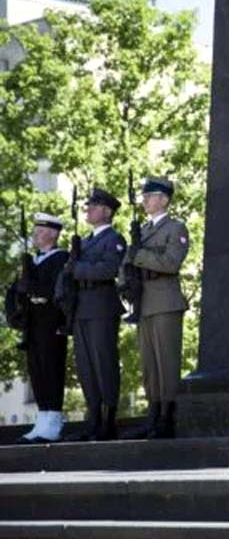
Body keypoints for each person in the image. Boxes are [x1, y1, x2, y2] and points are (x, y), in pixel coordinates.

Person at [120, 177, 189, 440]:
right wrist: (125, 282)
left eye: (149, 196)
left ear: (164, 199)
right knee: (149, 365)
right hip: (143, 302)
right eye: (145, 196)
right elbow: (126, 262)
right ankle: (152, 415)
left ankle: (167, 418)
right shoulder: (142, 230)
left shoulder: (176, 228)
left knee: (166, 362)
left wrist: (138, 255)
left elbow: (171, 263)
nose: (145, 200)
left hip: (165, 301)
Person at [60, 188, 127, 442]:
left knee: (104, 362)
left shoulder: (114, 239)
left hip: (101, 305)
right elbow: (68, 272)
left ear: (107, 211)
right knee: (86, 366)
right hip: (81, 307)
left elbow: (109, 269)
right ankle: (94, 420)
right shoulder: (84, 242)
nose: (87, 209)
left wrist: (77, 268)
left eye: (93, 205)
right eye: (87, 205)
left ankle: (108, 421)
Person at [5, 213, 69, 443]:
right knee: (37, 371)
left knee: (51, 369)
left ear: (53, 233)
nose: (35, 235)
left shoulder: (61, 258)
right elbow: (16, 290)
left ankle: (53, 421)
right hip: (33, 323)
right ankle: (42, 419)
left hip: (52, 321)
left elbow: (58, 289)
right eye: (35, 231)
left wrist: (33, 287)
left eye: (40, 231)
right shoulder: (33, 260)